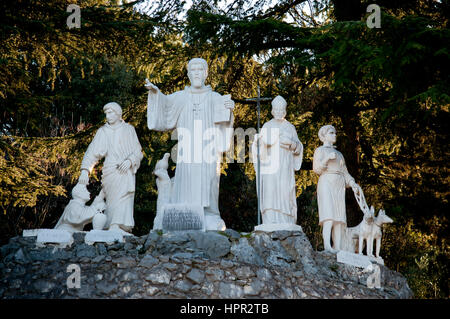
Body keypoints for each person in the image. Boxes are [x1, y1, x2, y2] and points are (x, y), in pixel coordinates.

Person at [145, 58, 234, 231]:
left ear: (206, 73)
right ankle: (185, 212)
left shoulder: (215, 98)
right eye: (193, 70)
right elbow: (165, 106)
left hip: (208, 148)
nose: (196, 73)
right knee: (185, 176)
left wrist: (230, 110)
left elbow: (224, 122)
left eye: (200, 70)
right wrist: (156, 94)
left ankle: (209, 213)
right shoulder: (181, 97)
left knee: (209, 178)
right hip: (187, 148)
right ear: (188, 74)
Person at [78, 102, 143, 235]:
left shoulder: (129, 129)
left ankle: (118, 225)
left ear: (118, 113)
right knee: (112, 199)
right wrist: (85, 170)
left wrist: (130, 161)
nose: (108, 116)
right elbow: (92, 152)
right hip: (111, 170)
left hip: (126, 171)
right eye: (106, 113)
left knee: (124, 197)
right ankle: (111, 225)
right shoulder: (103, 131)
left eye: (110, 112)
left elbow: (138, 151)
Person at [252, 96, 303, 225]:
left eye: (282, 110)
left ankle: (286, 219)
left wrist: (291, 144)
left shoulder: (290, 127)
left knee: (285, 190)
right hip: (270, 166)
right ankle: (270, 219)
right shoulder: (267, 126)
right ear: (272, 111)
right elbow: (258, 147)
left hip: (285, 165)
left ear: (285, 111)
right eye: (277, 109)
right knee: (270, 190)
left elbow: (298, 147)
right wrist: (263, 143)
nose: (279, 112)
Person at [313, 125, 360, 252]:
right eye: (331, 133)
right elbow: (316, 168)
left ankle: (338, 247)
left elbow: (345, 172)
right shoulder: (320, 150)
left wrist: (352, 183)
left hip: (339, 184)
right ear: (324, 135)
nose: (334, 135)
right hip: (326, 182)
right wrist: (327, 158)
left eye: (335, 133)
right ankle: (327, 245)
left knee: (339, 217)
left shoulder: (339, 154)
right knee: (328, 215)